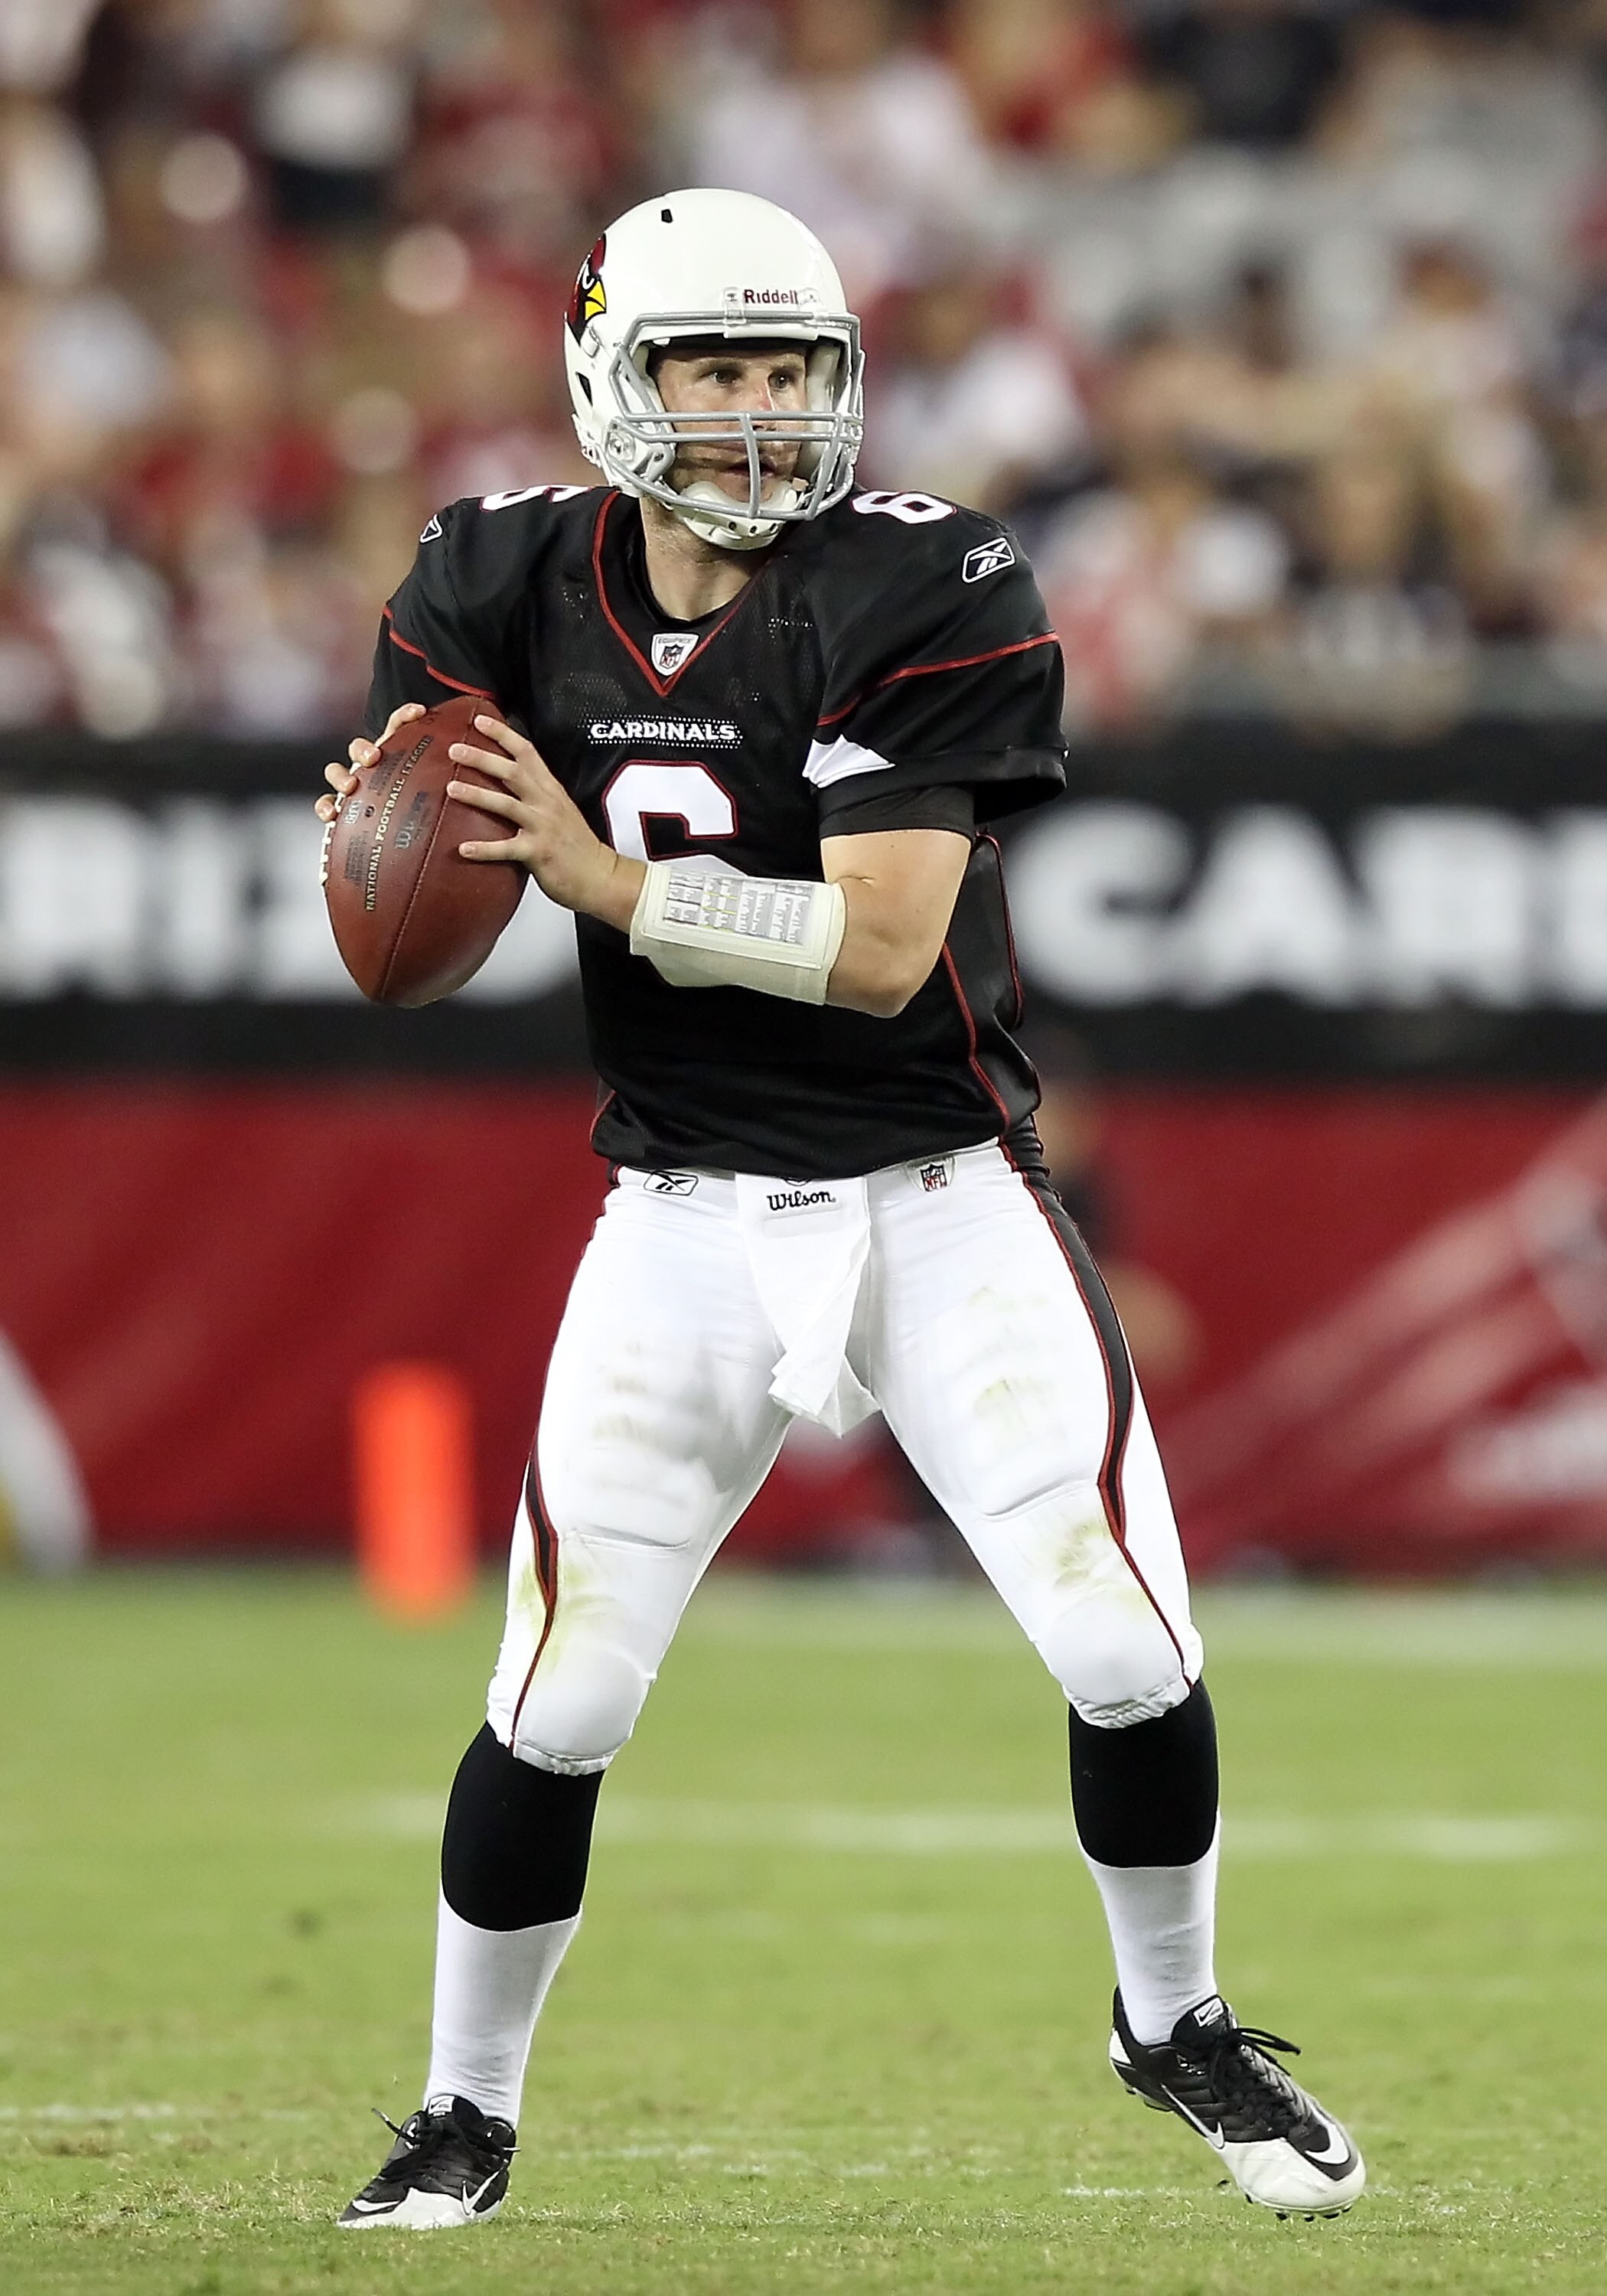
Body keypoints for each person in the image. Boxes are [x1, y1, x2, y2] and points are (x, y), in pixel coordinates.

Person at [318, 187, 1365, 2231]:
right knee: (558, 1693)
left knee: (1120, 1646)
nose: (760, 409)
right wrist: (378, 820)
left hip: (933, 1193)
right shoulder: (492, 568)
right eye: (715, 364)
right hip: (684, 1210)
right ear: (613, 366)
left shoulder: (923, 577)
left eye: (791, 366)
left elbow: (884, 953)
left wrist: (609, 887)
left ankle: (1175, 2019)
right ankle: (463, 2105)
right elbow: (401, 806)